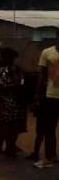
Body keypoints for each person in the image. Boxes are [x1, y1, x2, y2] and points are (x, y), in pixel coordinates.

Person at [0, 48, 26, 159]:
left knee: (6, 126)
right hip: (10, 103)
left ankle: (6, 148)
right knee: (8, 126)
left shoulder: (10, 70)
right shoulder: (16, 70)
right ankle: (7, 148)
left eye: (3, 56)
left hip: (9, 103)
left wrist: (1, 88)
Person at [33, 37, 59, 168]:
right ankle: (50, 157)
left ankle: (51, 156)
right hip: (51, 96)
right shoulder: (47, 52)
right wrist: (38, 96)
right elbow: (41, 75)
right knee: (50, 128)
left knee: (50, 128)